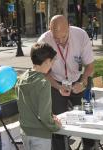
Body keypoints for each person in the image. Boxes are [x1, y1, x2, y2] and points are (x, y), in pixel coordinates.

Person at [38, 15, 95, 150]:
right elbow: (43, 72)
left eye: (64, 37)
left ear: (69, 27)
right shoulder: (43, 41)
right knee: (57, 122)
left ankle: (90, 146)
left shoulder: (81, 35)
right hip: (55, 81)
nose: (60, 41)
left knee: (88, 116)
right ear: (49, 29)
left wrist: (83, 81)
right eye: (56, 38)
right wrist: (58, 87)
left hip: (79, 79)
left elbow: (90, 66)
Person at [16, 43, 62, 150]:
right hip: (40, 135)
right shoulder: (43, 82)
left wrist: (50, 116)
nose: (52, 64)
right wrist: (55, 126)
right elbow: (44, 115)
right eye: (52, 61)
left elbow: (28, 106)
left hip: (25, 132)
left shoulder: (21, 78)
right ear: (46, 61)